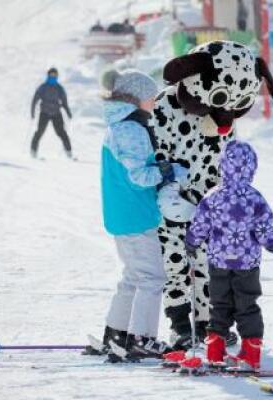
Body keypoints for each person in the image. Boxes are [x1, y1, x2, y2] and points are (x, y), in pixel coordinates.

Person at [96, 69, 189, 361]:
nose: (155, 102)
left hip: (123, 215)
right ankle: (141, 339)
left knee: (133, 277)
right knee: (151, 277)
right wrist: (170, 170)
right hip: (135, 215)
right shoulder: (132, 129)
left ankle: (116, 333)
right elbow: (139, 176)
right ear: (137, 98)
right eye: (152, 97)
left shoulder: (119, 126)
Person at [185, 140, 273, 370]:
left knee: (220, 303)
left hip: (219, 261)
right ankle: (251, 352)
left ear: (222, 166)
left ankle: (215, 349)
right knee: (247, 304)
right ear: (252, 168)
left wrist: (192, 241)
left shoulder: (212, 196)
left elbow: (200, 224)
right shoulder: (255, 199)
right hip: (247, 264)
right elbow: (264, 232)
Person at [30, 68, 73, 159]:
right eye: (51, 75)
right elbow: (35, 99)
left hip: (56, 113)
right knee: (39, 132)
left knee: (61, 133)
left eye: (55, 75)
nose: (53, 77)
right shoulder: (43, 87)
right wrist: (32, 112)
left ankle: (69, 152)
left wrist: (68, 112)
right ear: (48, 76)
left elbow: (64, 102)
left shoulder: (59, 88)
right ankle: (33, 151)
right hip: (44, 113)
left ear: (57, 76)